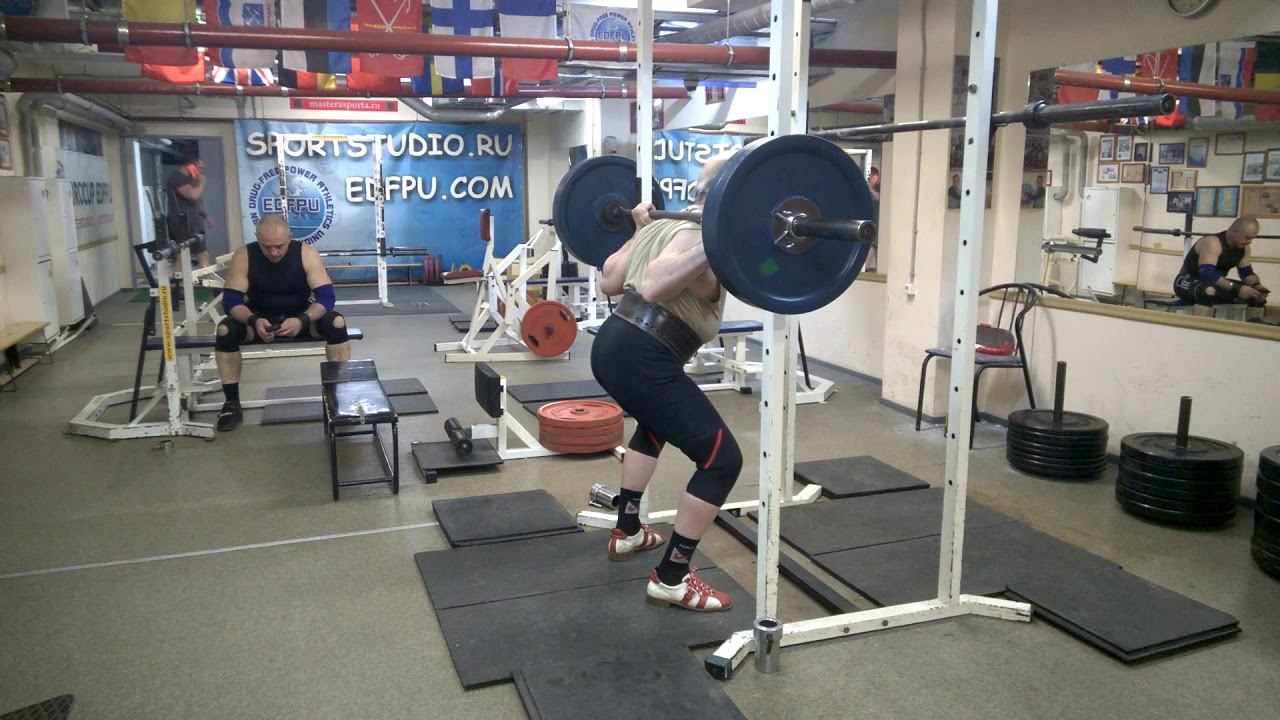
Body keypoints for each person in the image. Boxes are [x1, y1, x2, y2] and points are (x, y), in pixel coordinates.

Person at [592, 151, 744, 613]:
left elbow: (608, 281)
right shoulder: (700, 232)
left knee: (655, 426)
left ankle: (627, 530)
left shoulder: (661, 225)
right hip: (644, 353)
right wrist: (720, 238)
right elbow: (655, 284)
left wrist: (638, 232)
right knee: (721, 461)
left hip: (615, 345)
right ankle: (672, 578)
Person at [214, 215, 351, 431]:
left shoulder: (306, 254)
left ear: (290, 237)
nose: (274, 252)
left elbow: (326, 298)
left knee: (337, 323)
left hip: (300, 317)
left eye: (279, 246)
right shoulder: (244, 255)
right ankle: (231, 404)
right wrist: (254, 320)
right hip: (258, 320)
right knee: (225, 330)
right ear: (257, 239)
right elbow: (231, 302)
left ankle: (337, 396)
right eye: (267, 247)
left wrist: (302, 320)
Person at [1173, 216, 1269, 317]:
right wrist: (1237, 289)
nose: (1249, 242)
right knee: (1208, 291)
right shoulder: (1212, 242)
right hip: (1186, 282)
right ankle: (1199, 326)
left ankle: (1252, 325)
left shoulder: (1244, 248)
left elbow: (1247, 273)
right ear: (1234, 232)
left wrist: (1257, 285)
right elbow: (1207, 274)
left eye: (1252, 238)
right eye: (1247, 237)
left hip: (1214, 283)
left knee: (1256, 295)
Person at [164, 151, 213, 268]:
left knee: (183, 255)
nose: (201, 172)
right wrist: (202, 182)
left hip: (192, 220)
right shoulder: (177, 178)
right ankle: (203, 277)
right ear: (190, 166)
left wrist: (205, 216)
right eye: (199, 168)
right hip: (183, 221)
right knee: (200, 254)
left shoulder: (188, 179)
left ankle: (183, 278)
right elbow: (193, 195)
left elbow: (193, 203)